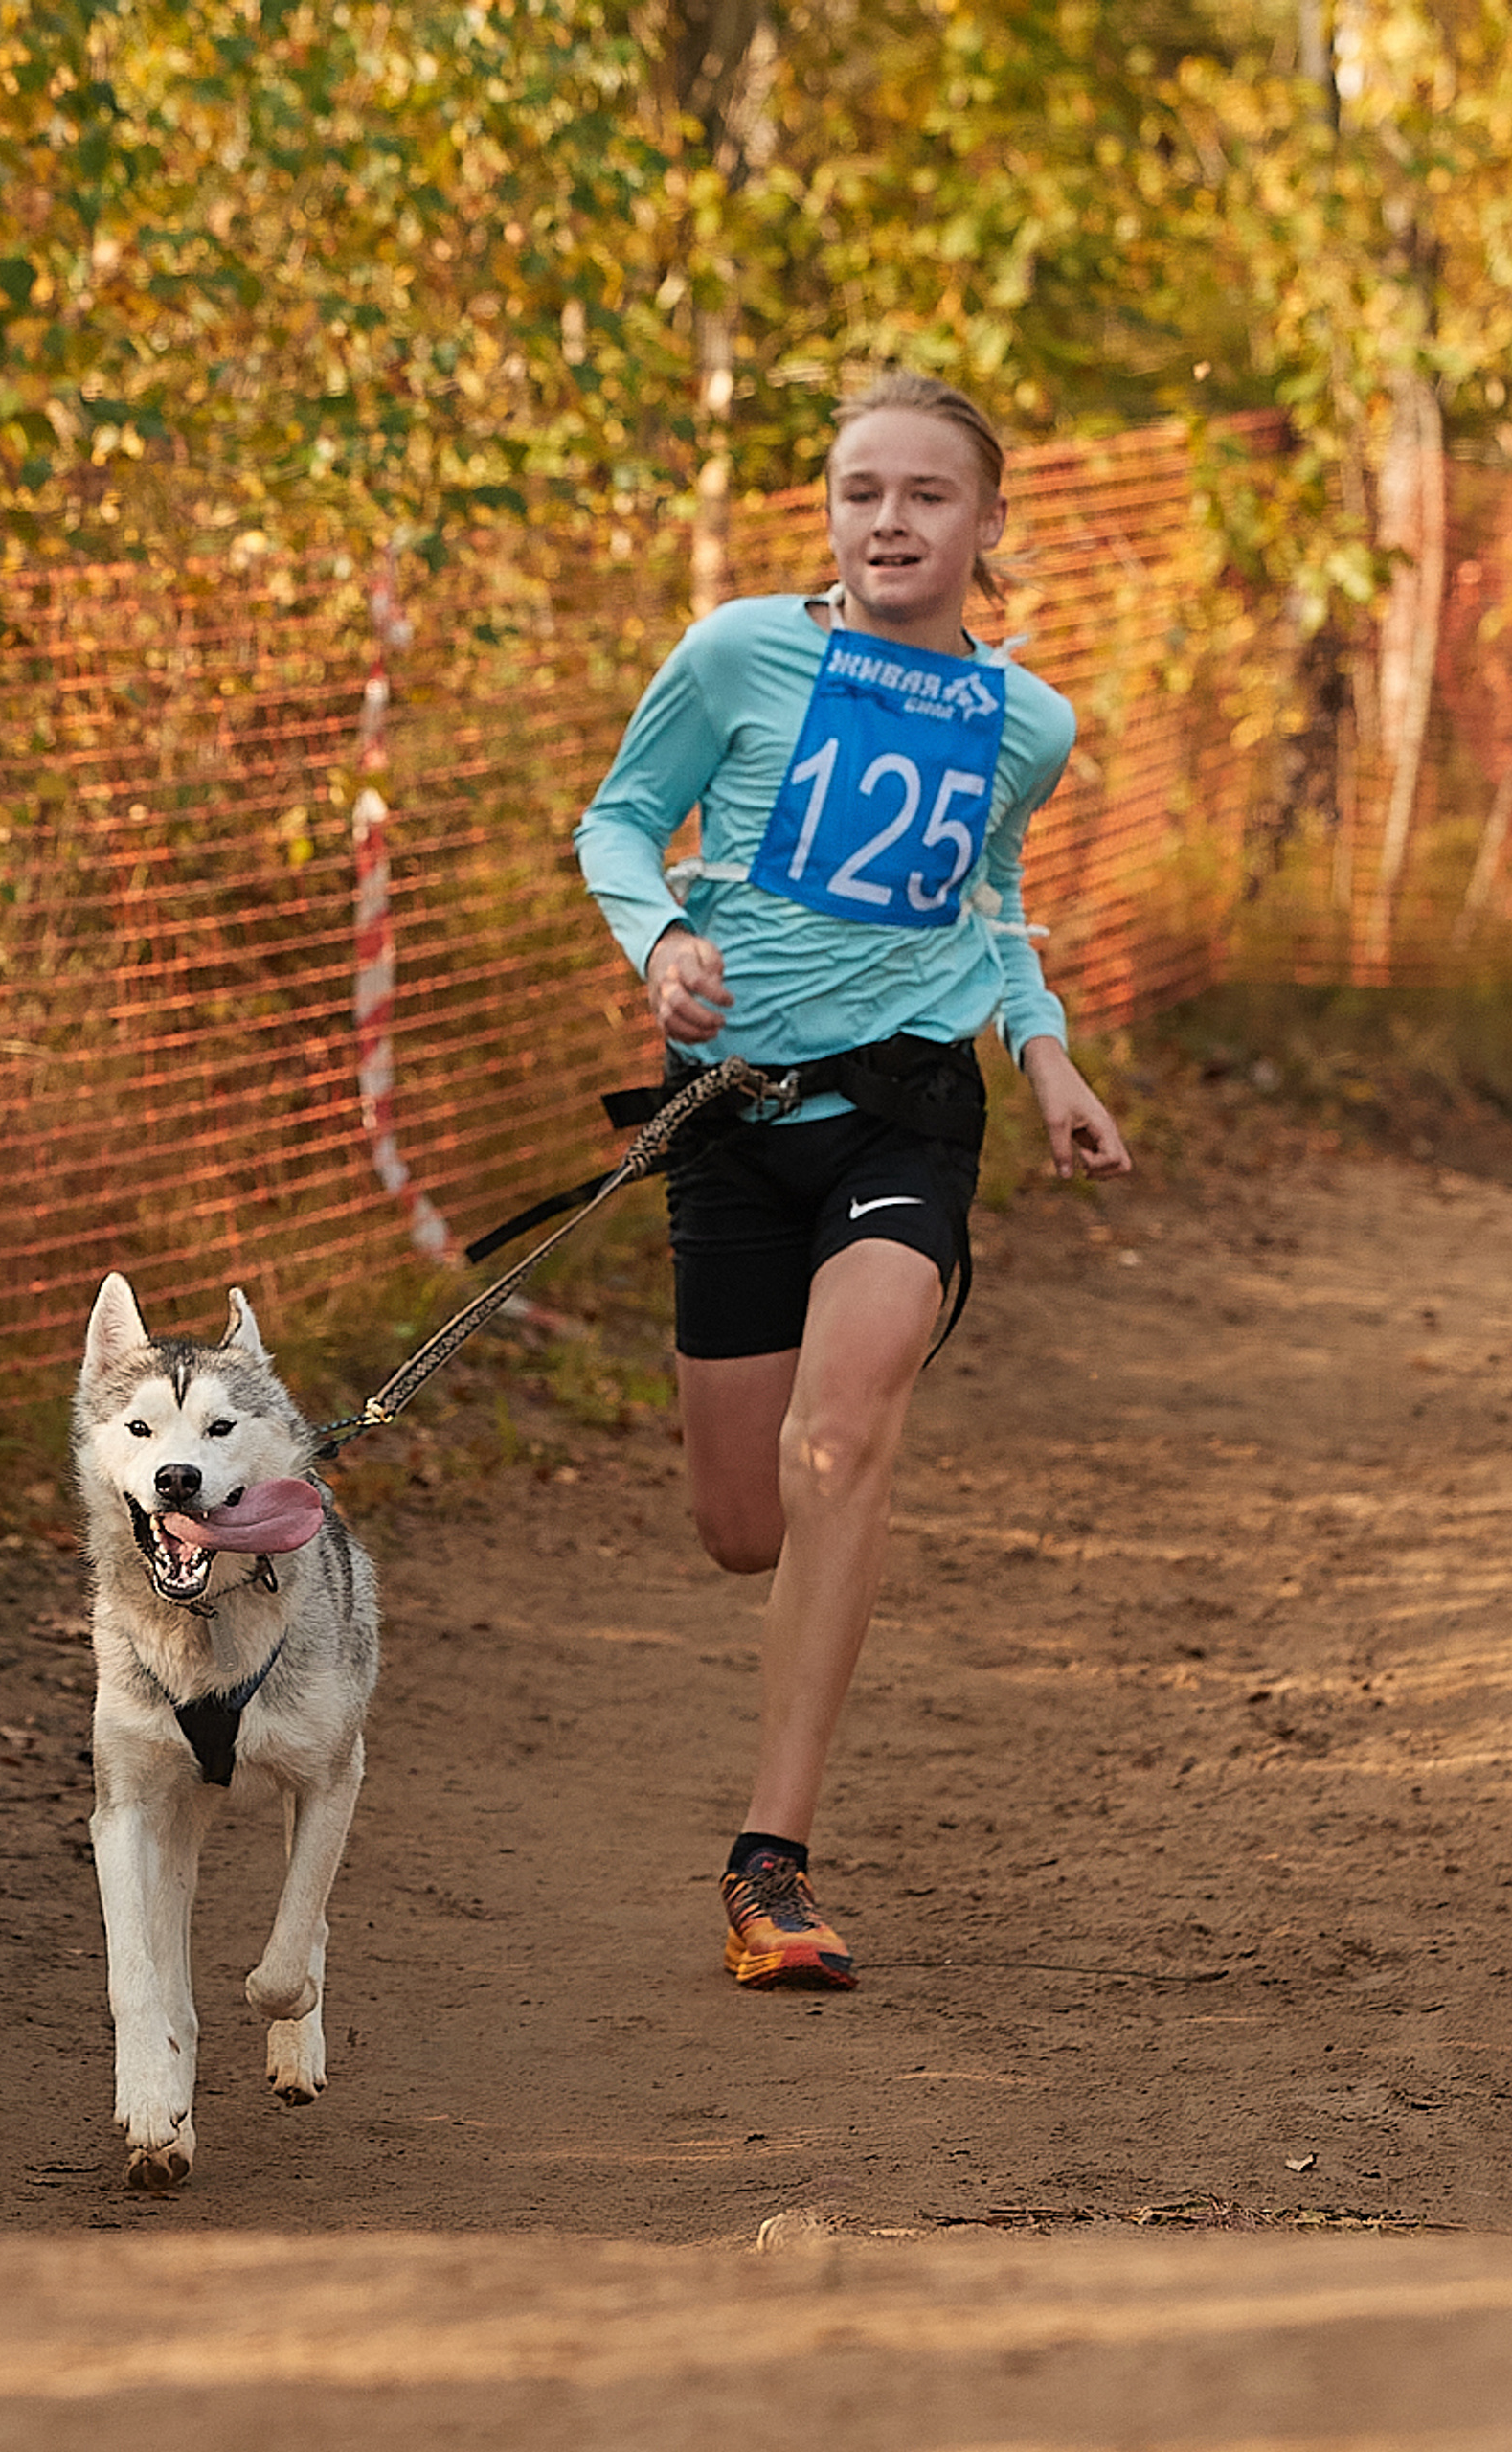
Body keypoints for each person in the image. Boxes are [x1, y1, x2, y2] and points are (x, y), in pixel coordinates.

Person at [573, 368, 1130, 1991]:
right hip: (732, 1125)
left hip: (907, 1111)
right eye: (860, 491)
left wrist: (1045, 1051)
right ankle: (790, 1607)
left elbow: (995, 893)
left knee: (844, 1432)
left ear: (988, 522)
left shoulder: (1028, 720)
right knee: (746, 1524)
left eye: (926, 494)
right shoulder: (744, 650)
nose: (890, 520)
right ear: (830, 515)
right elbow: (620, 822)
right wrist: (662, 936)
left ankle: (772, 1867)